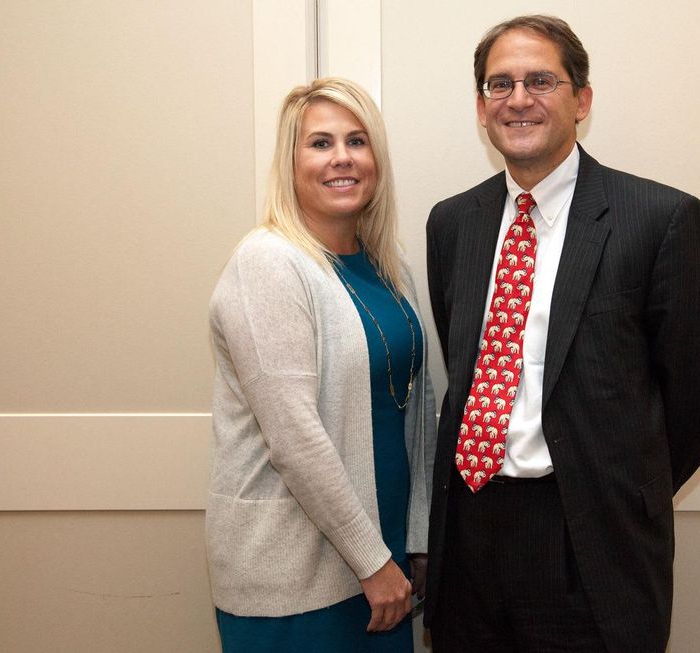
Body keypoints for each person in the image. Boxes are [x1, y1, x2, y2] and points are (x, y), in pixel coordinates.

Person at [423, 15, 700, 653]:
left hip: (589, 540)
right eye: (498, 84)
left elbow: (699, 394)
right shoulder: (453, 223)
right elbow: (466, 366)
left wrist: (621, 482)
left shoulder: (661, 219)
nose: (518, 99)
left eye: (540, 80)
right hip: (471, 532)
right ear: (482, 109)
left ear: (582, 100)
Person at [207, 77, 436, 653]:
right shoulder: (268, 263)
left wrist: (419, 536)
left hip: (385, 557)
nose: (342, 158)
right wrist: (372, 560)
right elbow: (293, 436)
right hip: (300, 574)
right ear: (290, 161)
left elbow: (418, 406)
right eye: (320, 143)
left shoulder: (390, 265)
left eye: (357, 141)